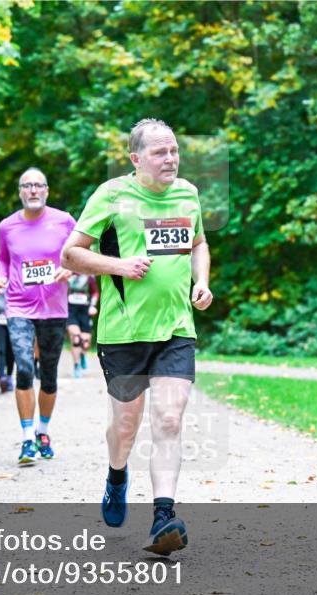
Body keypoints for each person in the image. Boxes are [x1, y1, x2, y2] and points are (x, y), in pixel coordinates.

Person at [61, 118, 213, 555]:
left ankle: (164, 516)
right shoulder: (112, 195)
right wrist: (120, 266)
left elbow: (198, 243)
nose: (171, 159)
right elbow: (71, 254)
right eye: (160, 152)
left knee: (168, 419)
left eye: (175, 150)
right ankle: (116, 474)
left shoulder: (188, 192)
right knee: (124, 428)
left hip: (176, 328)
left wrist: (199, 282)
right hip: (123, 332)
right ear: (135, 158)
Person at [0, 167, 75, 466]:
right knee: (24, 368)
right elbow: (2, 259)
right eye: (27, 185)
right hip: (18, 306)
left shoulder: (64, 220)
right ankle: (27, 440)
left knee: (48, 375)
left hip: (54, 308)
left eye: (39, 185)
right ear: (20, 191)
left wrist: (72, 268)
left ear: (47, 190)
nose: (33, 190)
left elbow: (79, 250)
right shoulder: (7, 226)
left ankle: (43, 432)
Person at [66, 273, 99, 378]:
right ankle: (76, 366)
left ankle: (83, 353)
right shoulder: (66, 273)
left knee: (85, 343)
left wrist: (92, 306)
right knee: (76, 338)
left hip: (85, 310)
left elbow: (95, 293)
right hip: (70, 310)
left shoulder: (89, 275)